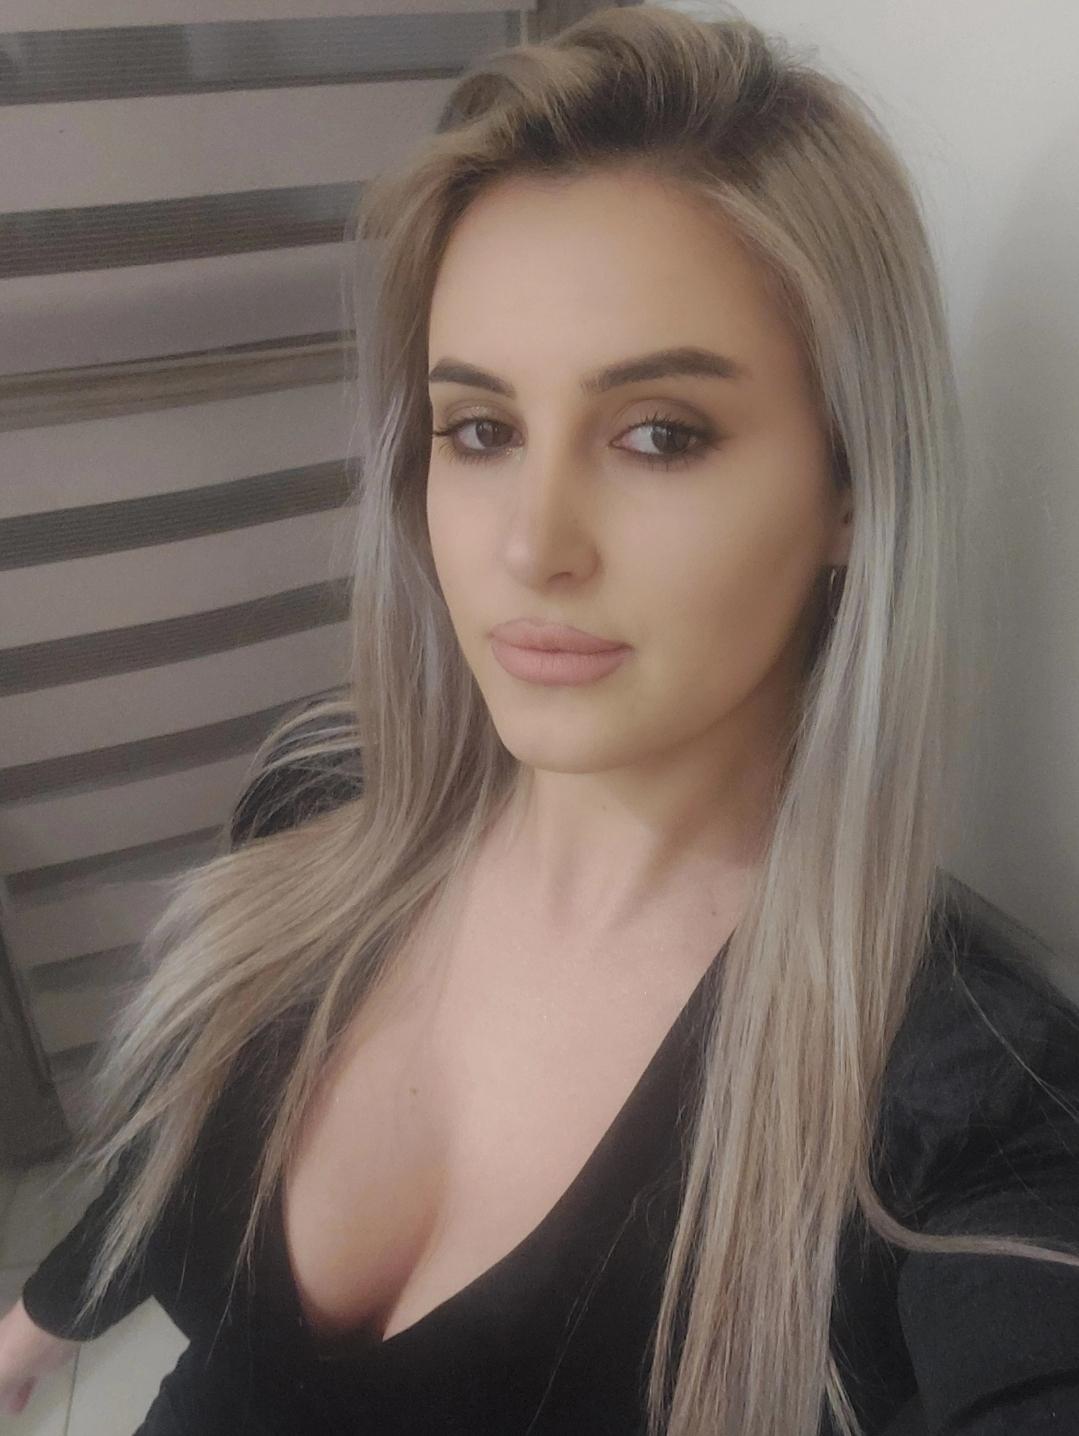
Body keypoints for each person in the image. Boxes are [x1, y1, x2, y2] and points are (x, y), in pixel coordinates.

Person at [2, 5, 1078, 1433]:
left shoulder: (964, 1109)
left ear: (851, 489)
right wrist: (28, 1331)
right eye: (481, 430)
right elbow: (189, 1143)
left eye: (659, 435)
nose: (529, 546)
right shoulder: (321, 800)